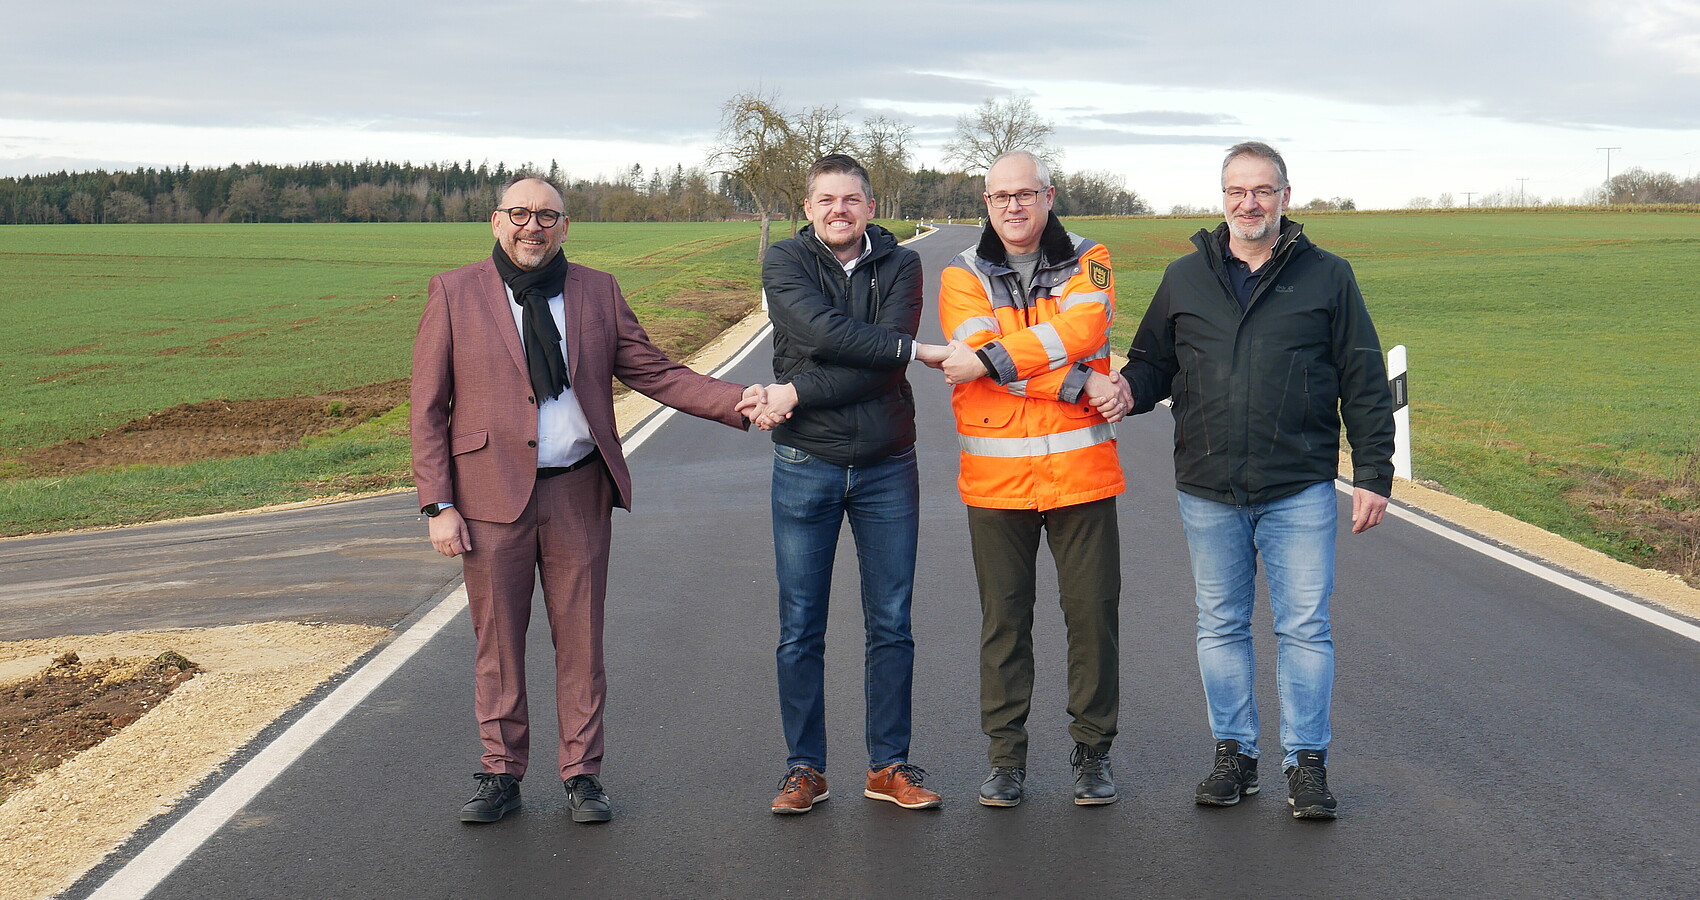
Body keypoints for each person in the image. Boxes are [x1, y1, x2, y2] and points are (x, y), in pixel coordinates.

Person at [411, 173, 762, 824]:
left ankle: (582, 775)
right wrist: (439, 503)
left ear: (565, 228)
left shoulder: (596, 291)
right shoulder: (455, 293)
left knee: (581, 643)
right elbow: (428, 408)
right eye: (519, 214)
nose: (532, 227)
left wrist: (739, 401)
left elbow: (655, 371)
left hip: (577, 489)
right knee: (497, 646)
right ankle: (500, 774)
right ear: (495, 222)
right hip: (488, 499)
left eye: (547, 216)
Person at [1115, 141, 1395, 820]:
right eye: (1238, 192)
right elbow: (1153, 365)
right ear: (1222, 200)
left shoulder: (1328, 276)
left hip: (1298, 482)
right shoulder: (1185, 278)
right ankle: (1235, 757)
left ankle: (1306, 764)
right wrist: (1124, 391)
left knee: (1304, 627)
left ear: (1285, 198)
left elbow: (1363, 377)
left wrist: (1374, 471)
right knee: (1221, 624)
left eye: (1263, 191)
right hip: (1208, 485)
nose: (1250, 203)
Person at [926, 149, 1129, 808]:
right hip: (996, 482)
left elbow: (1083, 326)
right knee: (1004, 624)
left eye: (1025, 193)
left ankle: (1092, 754)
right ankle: (1006, 758)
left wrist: (996, 363)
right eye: (999, 196)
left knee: (1092, 620)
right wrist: (1078, 380)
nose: (1012, 206)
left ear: (1048, 196)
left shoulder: (1090, 257)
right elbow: (988, 352)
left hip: (1081, 476)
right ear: (986, 204)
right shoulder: (961, 275)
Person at [755, 154, 944, 814]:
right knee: (799, 626)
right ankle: (804, 769)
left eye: (852, 199)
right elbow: (820, 332)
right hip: (805, 462)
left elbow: (878, 366)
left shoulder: (903, 264)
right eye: (826, 199)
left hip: (888, 464)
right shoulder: (784, 262)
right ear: (807, 209)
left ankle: (887, 766)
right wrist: (898, 350)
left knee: (891, 621)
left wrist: (799, 386)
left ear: (870, 206)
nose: (839, 209)